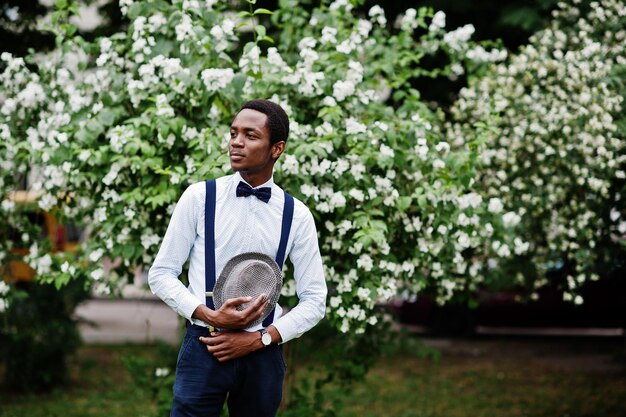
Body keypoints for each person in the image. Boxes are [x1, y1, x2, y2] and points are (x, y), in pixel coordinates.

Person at [148, 99, 327, 417]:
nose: (237, 142)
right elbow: (161, 273)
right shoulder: (200, 197)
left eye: (250, 135)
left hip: (264, 355)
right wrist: (209, 315)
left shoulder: (296, 214)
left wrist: (262, 339)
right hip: (206, 343)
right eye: (233, 133)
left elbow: (315, 300)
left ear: (277, 148)